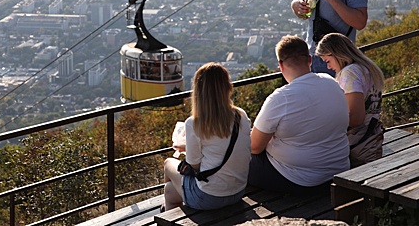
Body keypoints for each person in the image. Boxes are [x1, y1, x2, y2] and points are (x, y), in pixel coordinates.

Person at [248, 35, 350, 193]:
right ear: (309, 60)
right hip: (338, 169)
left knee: (235, 158)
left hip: (298, 179)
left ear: (281, 65)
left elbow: (254, 147)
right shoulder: (331, 82)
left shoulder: (281, 98)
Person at [163, 62, 251, 211]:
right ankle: (170, 208)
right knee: (170, 190)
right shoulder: (240, 115)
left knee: (167, 164)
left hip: (210, 196)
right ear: (228, 88)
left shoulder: (194, 123)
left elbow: (194, 165)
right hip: (238, 191)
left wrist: (188, 149)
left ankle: (169, 213)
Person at [316, 32, 385, 167]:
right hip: (370, 140)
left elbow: (355, 119)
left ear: (336, 53)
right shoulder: (365, 68)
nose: (328, 67)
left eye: (327, 61)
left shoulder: (350, 74)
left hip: (358, 145)